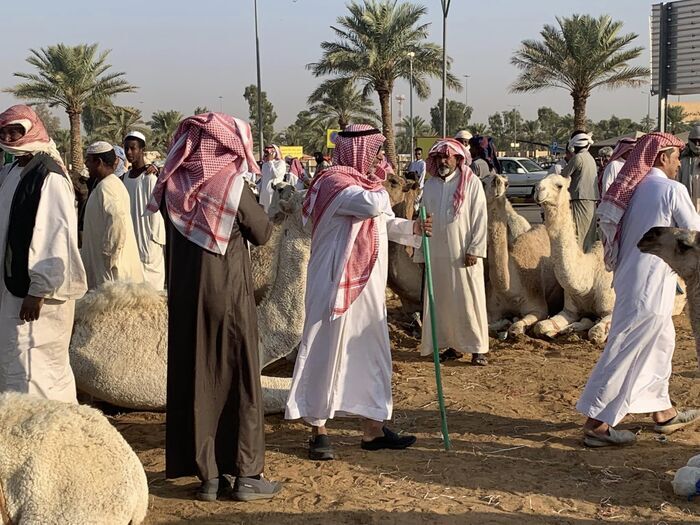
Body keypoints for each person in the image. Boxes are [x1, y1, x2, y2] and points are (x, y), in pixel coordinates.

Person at [146, 112, 280, 502]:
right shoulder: (231, 185)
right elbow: (262, 232)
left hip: (186, 299)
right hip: (229, 297)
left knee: (197, 377)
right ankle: (247, 475)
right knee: (238, 379)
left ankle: (207, 476)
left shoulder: (171, 186)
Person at [285, 124, 431, 461]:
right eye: (376, 152)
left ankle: (373, 428)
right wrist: (386, 183)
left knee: (372, 354)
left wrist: (412, 228)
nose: (380, 159)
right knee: (325, 353)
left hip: (366, 289)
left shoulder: (363, 188)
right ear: (358, 152)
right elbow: (371, 205)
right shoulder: (333, 184)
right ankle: (318, 429)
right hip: (334, 285)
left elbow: (381, 220)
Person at [577, 133, 700, 447]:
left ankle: (663, 411)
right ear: (662, 158)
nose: (677, 165)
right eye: (675, 158)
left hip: (636, 279)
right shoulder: (672, 189)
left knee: (661, 344)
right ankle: (597, 422)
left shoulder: (635, 190)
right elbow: (694, 234)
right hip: (650, 285)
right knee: (626, 348)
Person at [0, 104, 87, 403]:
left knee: (39, 369)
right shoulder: (13, 170)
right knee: (15, 362)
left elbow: (54, 236)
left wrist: (38, 291)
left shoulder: (49, 175)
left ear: (32, 130)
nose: (11, 138)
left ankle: (54, 437)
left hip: (35, 297)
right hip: (13, 290)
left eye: (17, 131)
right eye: (6, 132)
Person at [416, 139, 489, 366]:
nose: (442, 161)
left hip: (463, 253)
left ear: (458, 158)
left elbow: (480, 218)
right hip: (436, 253)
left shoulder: (471, 183)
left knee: (468, 299)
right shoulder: (430, 186)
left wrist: (475, 249)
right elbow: (422, 219)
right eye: (438, 157)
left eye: (446, 156)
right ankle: (449, 345)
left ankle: (477, 349)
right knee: (442, 301)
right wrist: (421, 252)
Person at [81, 142, 144, 290]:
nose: (86, 164)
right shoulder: (106, 184)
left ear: (99, 162)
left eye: (89, 160)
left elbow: (117, 221)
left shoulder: (108, 186)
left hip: (112, 270)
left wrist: (108, 256)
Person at [121, 131, 166, 290]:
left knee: (153, 291)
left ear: (142, 150)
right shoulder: (124, 178)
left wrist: (158, 167)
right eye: (126, 149)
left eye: (133, 148)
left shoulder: (151, 177)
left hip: (149, 239)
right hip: (132, 239)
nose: (129, 153)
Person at [561, 131, 599, 252]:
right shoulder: (590, 158)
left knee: (579, 234)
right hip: (591, 200)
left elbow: (563, 175)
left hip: (580, 199)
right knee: (589, 234)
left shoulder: (578, 158)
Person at [259, 144, 286, 212]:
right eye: (265, 152)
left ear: (274, 153)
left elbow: (276, 175)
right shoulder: (265, 165)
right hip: (264, 193)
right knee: (264, 212)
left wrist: (271, 162)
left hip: (274, 192)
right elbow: (263, 178)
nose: (266, 154)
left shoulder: (281, 163)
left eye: (268, 153)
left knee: (272, 212)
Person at [679, 124, 700, 212]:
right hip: (685, 209)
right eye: (694, 141)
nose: (697, 144)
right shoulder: (682, 161)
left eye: (699, 141)